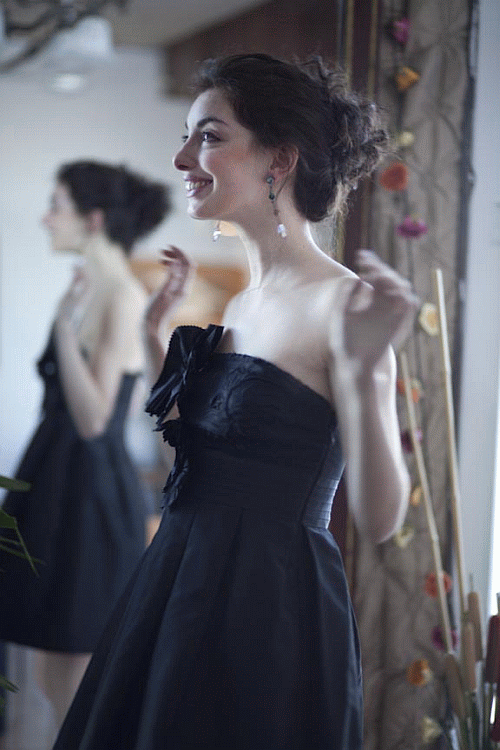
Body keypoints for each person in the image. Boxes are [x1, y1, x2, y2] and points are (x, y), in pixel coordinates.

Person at [53, 54, 418, 749]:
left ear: (280, 159)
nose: (182, 157)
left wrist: (371, 367)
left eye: (210, 136)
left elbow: (380, 518)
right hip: (177, 583)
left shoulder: (341, 305)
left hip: (267, 611)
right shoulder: (244, 302)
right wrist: (153, 340)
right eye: (187, 136)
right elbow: (202, 464)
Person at [0, 160, 169, 736]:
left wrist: (63, 328)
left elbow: (95, 418)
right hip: (55, 486)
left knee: (73, 669)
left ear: (94, 219)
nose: (46, 219)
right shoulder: (93, 290)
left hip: (88, 498)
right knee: (48, 665)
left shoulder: (121, 295)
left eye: (56, 206)